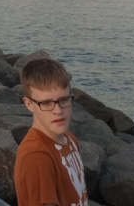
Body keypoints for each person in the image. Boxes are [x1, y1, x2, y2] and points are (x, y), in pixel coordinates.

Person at [13, 58, 88, 206]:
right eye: (46, 103)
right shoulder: (37, 157)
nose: (58, 110)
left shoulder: (70, 139)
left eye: (64, 99)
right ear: (29, 104)